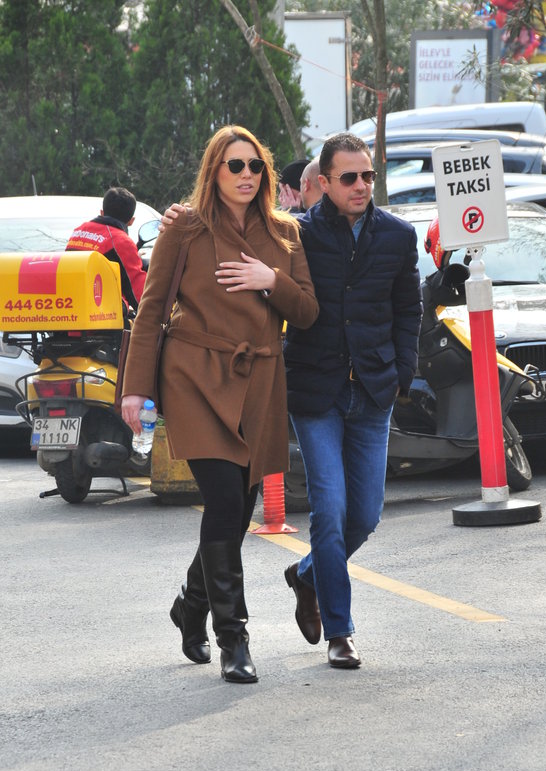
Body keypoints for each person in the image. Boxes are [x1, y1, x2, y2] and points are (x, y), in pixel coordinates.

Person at [121, 126, 318, 685]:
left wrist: (270, 279)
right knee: (226, 501)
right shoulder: (184, 227)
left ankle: (191, 603)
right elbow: (151, 309)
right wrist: (135, 388)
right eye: (235, 165)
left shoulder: (285, 230)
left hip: (259, 382)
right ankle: (235, 639)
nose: (246, 175)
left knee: (235, 508)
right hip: (195, 377)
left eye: (255, 165)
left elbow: (306, 311)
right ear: (214, 170)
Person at [283, 132, 423, 669]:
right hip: (315, 392)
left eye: (368, 175)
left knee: (364, 516)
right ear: (323, 182)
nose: (361, 185)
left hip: (373, 390)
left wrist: (401, 374)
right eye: (349, 177)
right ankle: (340, 631)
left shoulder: (397, 235)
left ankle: (307, 575)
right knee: (330, 510)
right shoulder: (297, 234)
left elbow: (408, 309)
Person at [66, 187, 146, 313]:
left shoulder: (79, 231)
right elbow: (137, 292)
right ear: (131, 221)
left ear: (102, 212)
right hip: (101, 311)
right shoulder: (121, 241)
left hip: (70, 305)